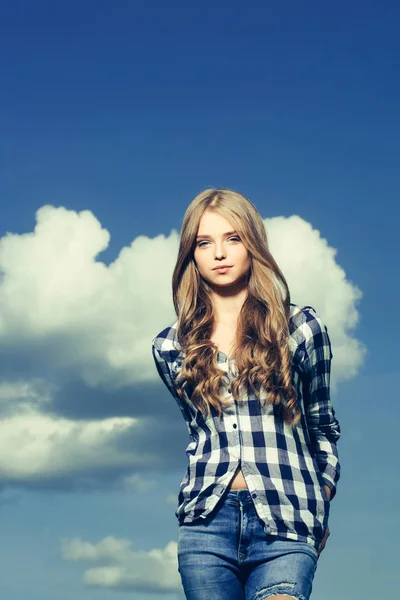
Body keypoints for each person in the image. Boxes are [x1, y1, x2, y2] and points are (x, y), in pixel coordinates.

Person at [151, 188, 341, 600]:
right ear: (192, 255)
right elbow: (198, 433)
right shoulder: (170, 347)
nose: (219, 253)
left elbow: (323, 427)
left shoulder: (301, 328)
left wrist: (320, 500)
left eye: (232, 238)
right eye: (205, 243)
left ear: (252, 244)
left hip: (287, 519)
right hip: (207, 527)